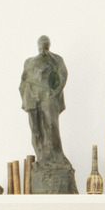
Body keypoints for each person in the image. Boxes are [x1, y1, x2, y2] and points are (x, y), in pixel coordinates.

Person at [20, 35, 69, 164]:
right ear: (38, 45)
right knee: (36, 129)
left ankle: (57, 157)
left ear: (49, 45)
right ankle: (42, 158)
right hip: (32, 97)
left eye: (45, 44)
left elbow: (63, 75)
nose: (43, 46)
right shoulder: (29, 61)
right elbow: (24, 80)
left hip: (48, 96)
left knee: (51, 126)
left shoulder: (56, 59)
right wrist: (27, 97)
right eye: (41, 44)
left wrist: (55, 93)